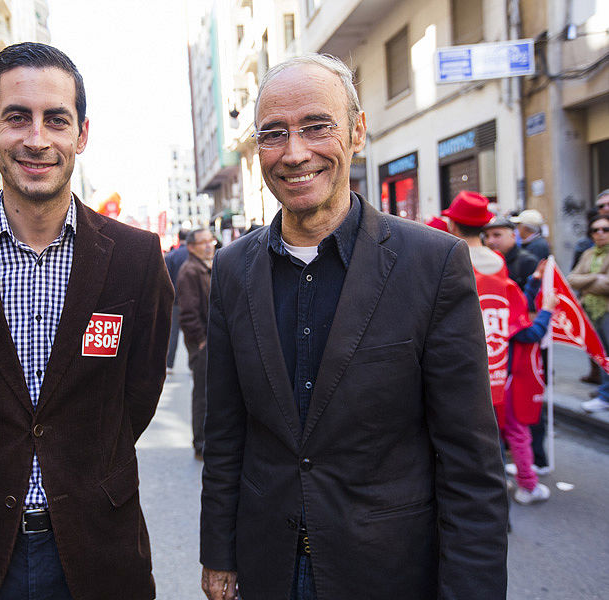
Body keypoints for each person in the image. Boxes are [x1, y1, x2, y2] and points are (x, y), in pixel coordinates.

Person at [200, 55, 507, 600]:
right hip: (268, 565)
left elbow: (470, 462)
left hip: (388, 568)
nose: (295, 153)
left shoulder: (432, 264)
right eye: (274, 134)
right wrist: (218, 554)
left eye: (317, 126)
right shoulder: (231, 270)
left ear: (358, 131)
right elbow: (227, 432)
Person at [0, 42, 173, 600]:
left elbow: (140, 392)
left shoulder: (136, 257)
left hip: (97, 549)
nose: (37, 140)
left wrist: (83, 457)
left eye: (56, 120)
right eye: (17, 117)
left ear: (81, 135)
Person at [444, 192, 554, 504]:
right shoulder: (500, 272)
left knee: (479, 431)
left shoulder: (449, 260)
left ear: (452, 223)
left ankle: (486, 484)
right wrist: (542, 304)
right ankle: (517, 482)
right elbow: (518, 318)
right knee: (508, 429)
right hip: (501, 364)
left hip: (464, 363)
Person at [176, 228, 215, 459]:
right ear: (191, 247)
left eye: (210, 240)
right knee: (202, 394)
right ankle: (200, 443)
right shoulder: (190, 271)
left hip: (209, 341)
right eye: (202, 242)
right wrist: (201, 341)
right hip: (202, 344)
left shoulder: (204, 267)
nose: (209, 245)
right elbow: (188, 313)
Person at [569, 213, 609, 413]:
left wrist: (587, 282)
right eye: (595, 230)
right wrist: (596, 277)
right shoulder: (588, 254)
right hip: (591, 310)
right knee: (601, 354)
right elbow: (572, 278)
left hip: (607, 310)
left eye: (605, 229)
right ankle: (605, 393)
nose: (599, 233)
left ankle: (605, 394)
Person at [483, 216, 539, 291]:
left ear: (513, 236)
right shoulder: (485, 261)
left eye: (496, 235)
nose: (490, 241)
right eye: (486, 236)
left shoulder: (527, 262)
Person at [165, 228, 190, 370]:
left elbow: (166, 280)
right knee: (191, 332)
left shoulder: (171, 256)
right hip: (192, 299)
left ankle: (170, 363)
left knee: (173, 332)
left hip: (175, 301)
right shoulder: (193, 254)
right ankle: (193, 363)